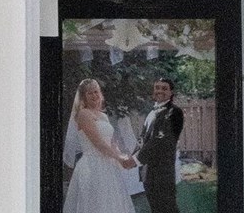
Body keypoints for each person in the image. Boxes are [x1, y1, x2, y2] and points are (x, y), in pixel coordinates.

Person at [62, 77, 139, 213]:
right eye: (89, 93)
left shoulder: (103, 116)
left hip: (108, 167)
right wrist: (119, 158)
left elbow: (111, 142)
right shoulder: (83, 114)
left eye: (96, 91)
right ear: (83, 96)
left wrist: (123, 158)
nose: (94, 95)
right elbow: (99, 143)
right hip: (92, 166)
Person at [136, 77, 185, 213]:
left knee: (168, 207)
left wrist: (135, 159)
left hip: (163, 172)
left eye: (164, 88)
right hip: (148, 171)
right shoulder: (151, 113)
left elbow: (160, 141)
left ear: (171, 92)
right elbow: (143, 139)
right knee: (155, 208)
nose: (160, 91)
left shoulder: (174, 112)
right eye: (157, 87)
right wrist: (132, 155)